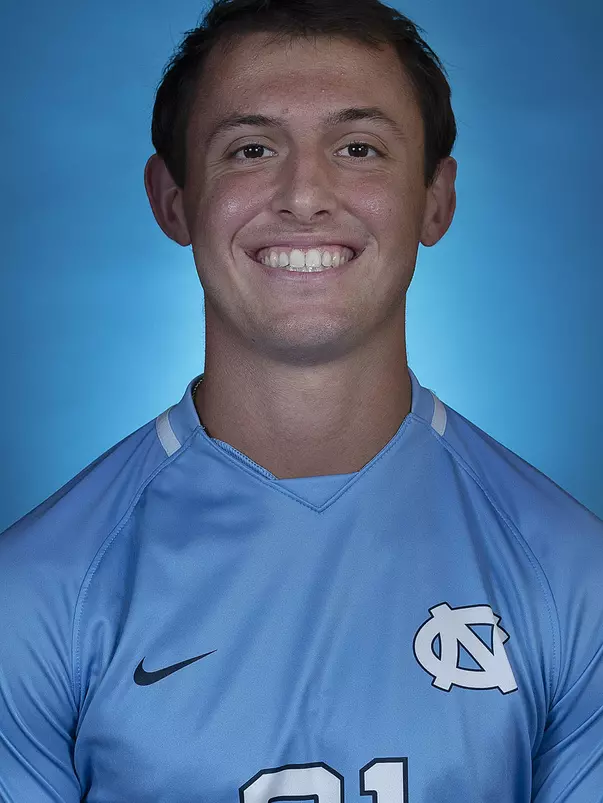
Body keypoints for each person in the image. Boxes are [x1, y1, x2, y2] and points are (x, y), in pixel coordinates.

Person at [1, 0, 602, 799]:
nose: (304, 194)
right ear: (172, 198)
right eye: (251, 149)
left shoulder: (574, 578)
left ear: (436, 199)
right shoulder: (36, 596)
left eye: (358, 148)